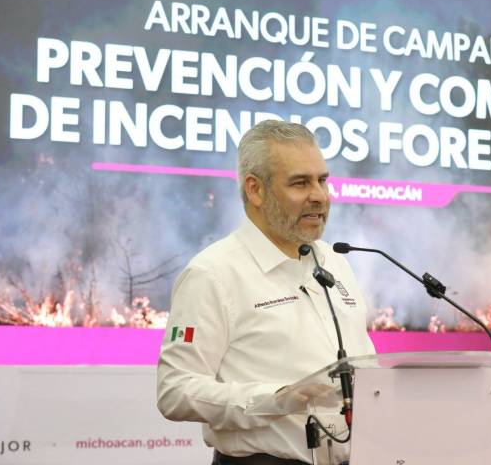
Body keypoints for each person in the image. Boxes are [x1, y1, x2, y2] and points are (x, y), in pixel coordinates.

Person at [156, 120, 376, 465]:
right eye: (300, 183)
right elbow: (176, 390)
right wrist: (274, 399)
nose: (319, 196)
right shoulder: (213, 273)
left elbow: (366, 369)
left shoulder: (336, 262)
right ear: (255, 190)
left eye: (322, 180)